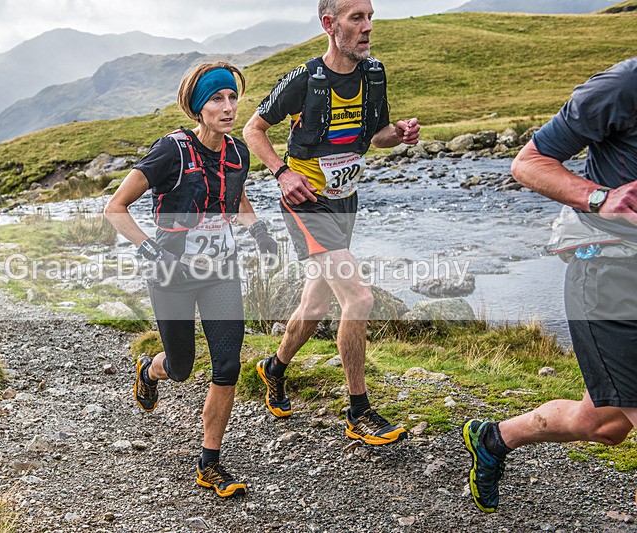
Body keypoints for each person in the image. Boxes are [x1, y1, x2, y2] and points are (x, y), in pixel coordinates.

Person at [463, 56, 637, 513]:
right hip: (611, 272)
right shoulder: (622, 87)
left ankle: (494, 438)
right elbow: (529, 162)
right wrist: (600, 197)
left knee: (603, 424)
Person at [242, 0, 419, 446]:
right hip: (306, 203)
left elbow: (375, 136)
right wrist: (282, 174)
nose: (368, 27)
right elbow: (252, 130)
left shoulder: (374, 73)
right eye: (357, 18)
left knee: (316, 307)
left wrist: (398, 134)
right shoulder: (304, 79)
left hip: (345, 201)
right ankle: (359, 411)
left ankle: (274, 367)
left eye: (371, 17)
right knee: (358, 298)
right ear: (329, 24)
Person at [104, 61, 277, 498]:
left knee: (228, 365)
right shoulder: (171, 152)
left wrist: (257, 230)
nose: (228, 106)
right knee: (180, 368)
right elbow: (115, 208)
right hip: (170, 274)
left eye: (232, 97)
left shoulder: (238, 152)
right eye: (217, 99)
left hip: (221, 273)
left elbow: (235, 195)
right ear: (198, 109)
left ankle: (210, 462)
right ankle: (150, 368)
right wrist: (152, 250)